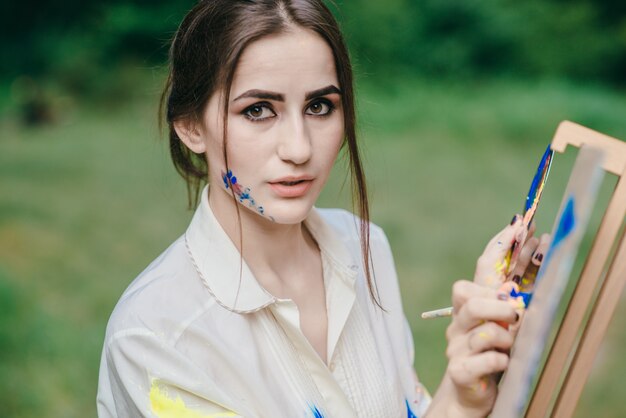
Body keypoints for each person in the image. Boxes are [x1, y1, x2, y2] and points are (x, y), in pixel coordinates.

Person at [96, 1, 548, 417]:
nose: (299, 148)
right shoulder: (156, 337)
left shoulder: (363, 245)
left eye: (319, 106)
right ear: (191, 126)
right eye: (257, 110)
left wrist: (465, 393)